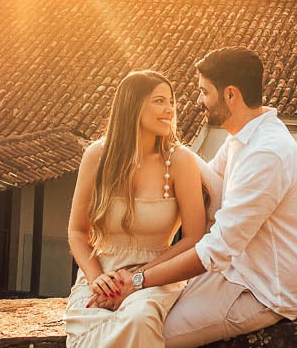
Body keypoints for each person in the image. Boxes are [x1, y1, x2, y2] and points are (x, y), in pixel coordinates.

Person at [97, 47, 297, 347]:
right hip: (236, 271)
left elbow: (218, 247)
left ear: (230, 95)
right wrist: (158, 137)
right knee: (134, 312)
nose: (198, 100)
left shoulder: (266, 154)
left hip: (265, 290)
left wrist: (137, 280)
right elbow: (210, 193)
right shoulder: (241, 139)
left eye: (204, 92)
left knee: (142, 333)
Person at [64, 70, 211, 348]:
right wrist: (98, 279)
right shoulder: (96, 156)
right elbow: (76, 231)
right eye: (159, 101)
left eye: (171, 102)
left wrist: (137, 278)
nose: (170, 110)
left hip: (158, 275)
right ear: (133, 105)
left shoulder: (181, 161)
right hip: (103, 273)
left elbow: (194, 237)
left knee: (139, 317)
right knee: (90, 323)